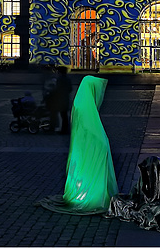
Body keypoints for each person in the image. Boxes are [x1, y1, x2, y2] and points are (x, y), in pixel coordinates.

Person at [37, 76, 117, 215]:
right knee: (89, 171)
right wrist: (102, 145)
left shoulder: (82, 103)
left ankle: (92, 194)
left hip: (83, 149)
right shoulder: (84, 106)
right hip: (86, 149)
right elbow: (90, 130)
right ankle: (91, 197)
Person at [106, 155, 160, 231]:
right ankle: (141, 213)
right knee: (116, 199)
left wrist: (155, 203)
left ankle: (145, 215)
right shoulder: (144, 176)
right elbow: (135, 192)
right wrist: (133, 201)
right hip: (144, 203)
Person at [47, 67, 72, 135]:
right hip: (65, 99)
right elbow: (70, 89)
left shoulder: (60, 79)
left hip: (60, 100)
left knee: (55, 114)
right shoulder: (67, 79)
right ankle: (65, 129)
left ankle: (54, 128)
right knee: (64, 116)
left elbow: (57, 89)